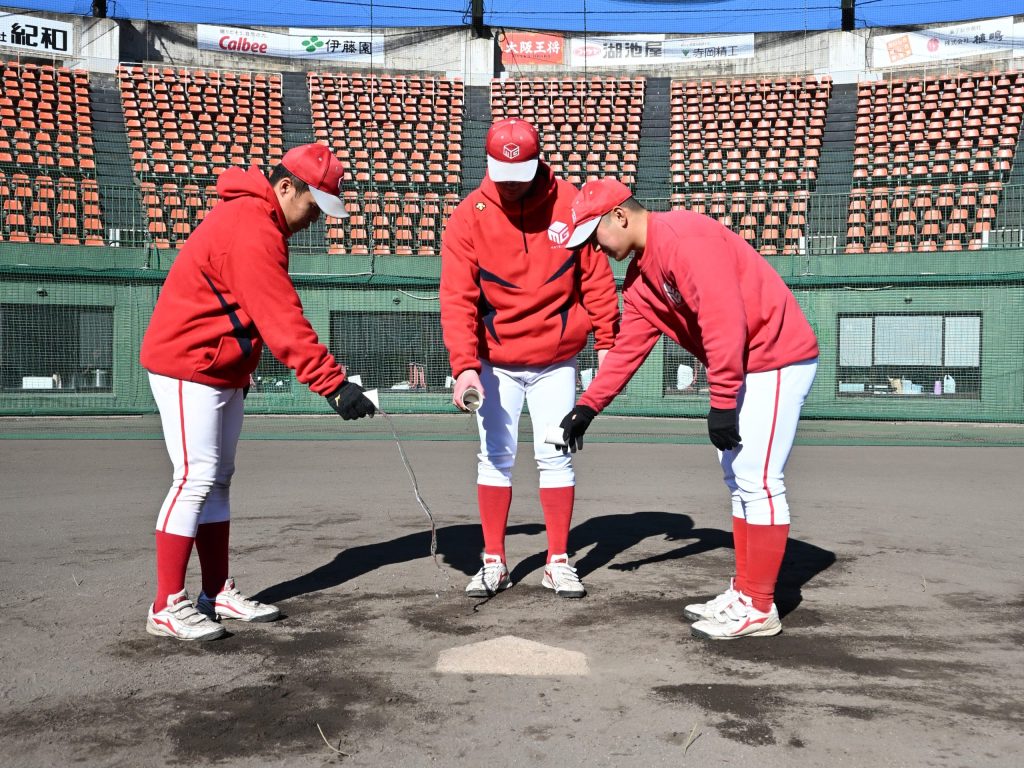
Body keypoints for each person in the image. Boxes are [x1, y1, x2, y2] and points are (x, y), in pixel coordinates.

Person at [558, 177, 819, 639]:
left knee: (758, 479)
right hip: (747, 366)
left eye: (594, 235)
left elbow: (724, 320)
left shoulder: (684, 239)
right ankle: (745, 593)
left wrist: (722, 401)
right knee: (739, 480)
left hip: (776, 356)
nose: (594, 248)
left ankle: (760, 607)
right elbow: (627, 350)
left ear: (619, 216)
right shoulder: (641, 279)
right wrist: (588, 406)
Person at [140, 143, 377, 641]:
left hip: (220, 367)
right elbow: (279, 317)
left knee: (217, 480)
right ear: (285, 187)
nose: (316, 218)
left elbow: (248, 313)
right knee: (195, 478)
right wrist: (333, 384)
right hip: (188, 364)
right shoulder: (252, 226)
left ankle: (214, 592)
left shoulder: (261, 220)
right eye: (314, 205)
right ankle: (166, 605)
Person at [440, 118, 620, 599]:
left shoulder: (570, 203)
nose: (511, 187)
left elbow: (596, 278)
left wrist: (607, 342)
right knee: (494, 457)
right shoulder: (468, 216)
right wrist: (464, 367)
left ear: (539, 163)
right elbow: (457, 299)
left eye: (519, 177)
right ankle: (493, 562)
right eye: (503, 177)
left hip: (556, 358)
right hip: (495, 360)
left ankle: (557, 561)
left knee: (556, 455)